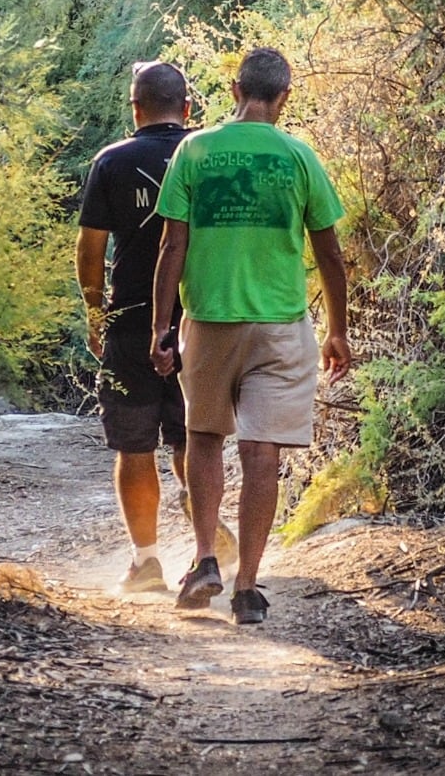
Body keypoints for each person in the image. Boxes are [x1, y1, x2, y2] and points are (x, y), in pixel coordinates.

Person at [149, 46, 351, 625]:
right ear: (284, 96)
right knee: (262, 453)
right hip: (280, 326)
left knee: (204, 437)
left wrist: (161, 328)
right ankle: (247, 589)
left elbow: (172, 245)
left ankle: (206, 560)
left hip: (209, 319)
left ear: (234, 90)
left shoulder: (195, 149)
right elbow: (330, 254)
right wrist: (337, 330)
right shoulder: (299, 157)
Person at [73, 59, 200, 595]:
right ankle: (207, 545)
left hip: (129, 320)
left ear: (135, 108)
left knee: (135, 444)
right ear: (187, 106)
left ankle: (146, 563)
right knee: (194, 437)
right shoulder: (207, 153)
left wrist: (95, 313)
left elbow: (90, 249)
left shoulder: (112, 161)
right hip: (200, 317)